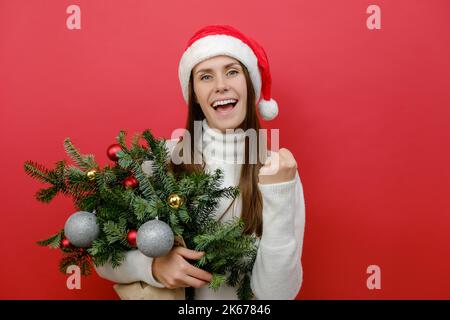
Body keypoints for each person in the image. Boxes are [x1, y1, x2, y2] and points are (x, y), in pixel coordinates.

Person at [95, 25, 306, 300]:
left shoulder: (277, 172)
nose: (221, 85)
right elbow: (101, 256)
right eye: (206, 76)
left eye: (232, 71)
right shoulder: (160, 161)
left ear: (250, 84)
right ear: (194, 93)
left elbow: (278, 296)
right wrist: (153, 267)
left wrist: (279, 193)